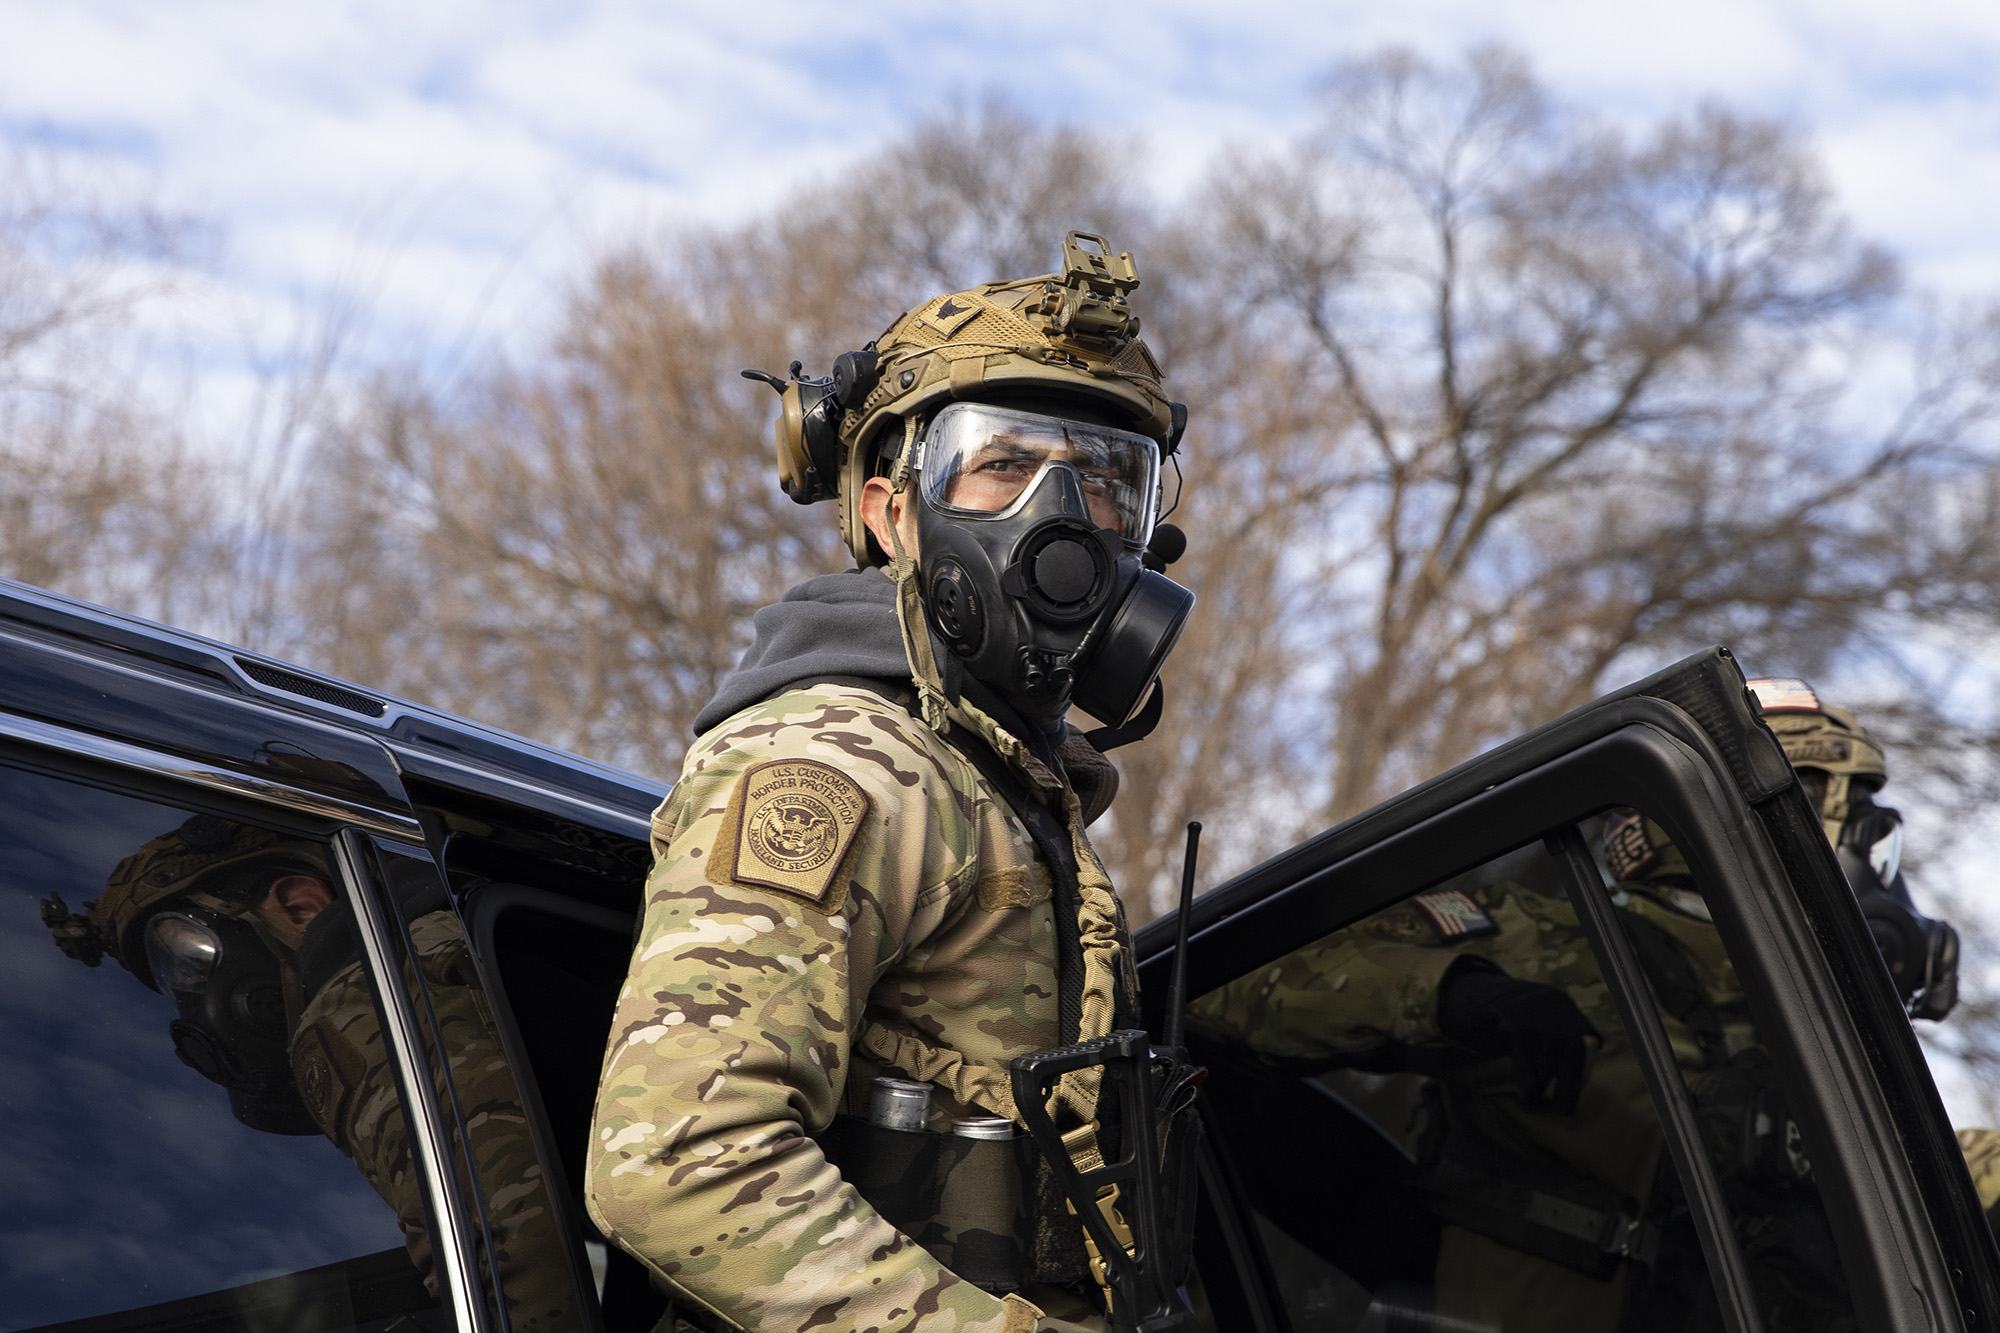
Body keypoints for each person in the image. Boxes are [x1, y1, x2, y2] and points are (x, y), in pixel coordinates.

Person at [585, 233, 1198, 1333]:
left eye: (1108, 480)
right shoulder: (836, 759)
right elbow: (674, 1159)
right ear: (889, 513)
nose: (1060, 517)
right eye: (1003, 464)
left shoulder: (996, 778)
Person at [1186, 677, 1962, 1332]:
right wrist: (1454, 995)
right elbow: (1226, 986)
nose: (1877, 871)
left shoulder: (1802, 1028)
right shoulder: (1554, 941)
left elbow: (1948, 1174)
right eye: (1861, 829)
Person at [43, 813, 579, 1331]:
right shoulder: (481, 955)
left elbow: (523, 1255)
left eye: (189, 956)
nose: (192, 999)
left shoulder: (375, 1000)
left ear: (301, 908)